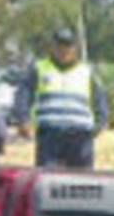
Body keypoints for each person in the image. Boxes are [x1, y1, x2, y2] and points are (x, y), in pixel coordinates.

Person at [12, 27, 108, 170]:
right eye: (60, 46)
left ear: (75, 48)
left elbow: (100, 100)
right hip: (50, 136)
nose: (64, 50)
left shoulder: (88, 72)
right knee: (48, 181)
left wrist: (99, 125)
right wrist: (23, 120)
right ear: (53, 46)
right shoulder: (38, 68)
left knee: (82, 183)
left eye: (68, 46)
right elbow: (23, 96)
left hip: (80, 136)